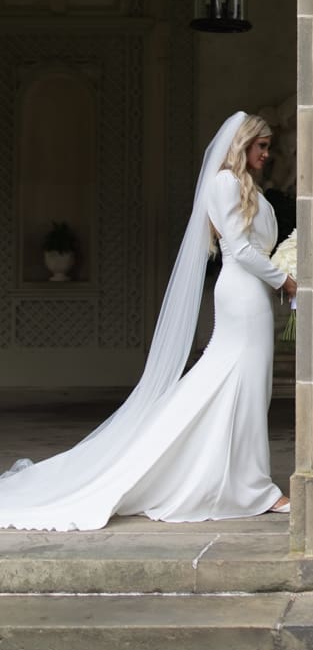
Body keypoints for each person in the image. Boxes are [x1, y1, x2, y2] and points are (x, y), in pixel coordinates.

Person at [0, 112, 296, 530]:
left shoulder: (253, 192)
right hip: (243, 294)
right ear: (242, 144)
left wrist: (283, 267)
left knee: (242, 386)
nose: (267, 153)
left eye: (268, 147)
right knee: (241, 384)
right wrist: (286, 279)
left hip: (255, 294)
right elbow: (242, 251)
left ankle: (242, 479)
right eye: (261, 146)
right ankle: (253, 487)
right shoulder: (225, 183)